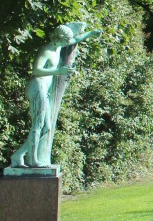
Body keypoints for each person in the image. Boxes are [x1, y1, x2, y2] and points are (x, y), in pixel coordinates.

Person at [11, 23, 101, 169]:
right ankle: (33, 160)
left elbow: (74, 40)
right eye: (66, 40)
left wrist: (90, 33)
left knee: (46, 127)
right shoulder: (46, 50)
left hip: (43, 89)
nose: (68, 43)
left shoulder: (58, 46)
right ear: (59, 38)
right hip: (37, 87)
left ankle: (18, 155)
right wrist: (58, 71)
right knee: (38, 125)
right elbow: (36, 70)